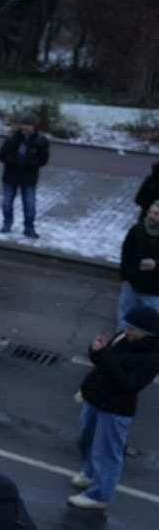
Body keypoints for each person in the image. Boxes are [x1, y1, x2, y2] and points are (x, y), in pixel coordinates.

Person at [69, 306, 159, 511]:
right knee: (86, 438)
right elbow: (101, 360)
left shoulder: (152, 357)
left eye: (133, 329)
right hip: (95, 397)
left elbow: (129, 384)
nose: (127, 331)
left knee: (108, 453)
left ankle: (100, 495)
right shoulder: (122, 337)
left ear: (148, 334)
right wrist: (96, 350)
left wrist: (105, 356)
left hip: (116, 407)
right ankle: (89, 472)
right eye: (128, 326)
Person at [0, 116, 50, 238]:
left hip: (29, 178)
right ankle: (7, 224)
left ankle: (29, 227)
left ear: (33, 126)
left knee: (29, 204)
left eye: (28, 125)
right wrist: (13, 160)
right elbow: (2, 155)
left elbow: (43, 160)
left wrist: (29, 162)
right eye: (23, 124)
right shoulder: (12, 138)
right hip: (11, 176)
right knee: (7, 202)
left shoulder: (40, 140)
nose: (25, 127)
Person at [117, 201, 159, 331]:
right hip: (132, 285)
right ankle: (121, 342)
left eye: (157, 214)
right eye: (150, 212)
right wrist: (125, 277)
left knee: (151, 325)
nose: (152, 216)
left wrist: (156, 265)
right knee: (125, 317)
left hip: (154, 291)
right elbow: (126, 254)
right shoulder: (137, 230)